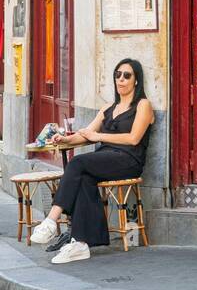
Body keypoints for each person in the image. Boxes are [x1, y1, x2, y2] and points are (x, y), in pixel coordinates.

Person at [30, 59, 154, 264]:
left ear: (136, 80)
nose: (121, 79)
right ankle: (81, 243)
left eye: (127, 75)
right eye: (118, 75)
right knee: (84, 178)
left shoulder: (143, 105)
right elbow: (87, 134)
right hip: (105, 158)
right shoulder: (107, 108)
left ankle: (51, 220)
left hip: (129, 160)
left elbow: (133, 138)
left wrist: (99, 137)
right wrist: (65, 139)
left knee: (77, 163)